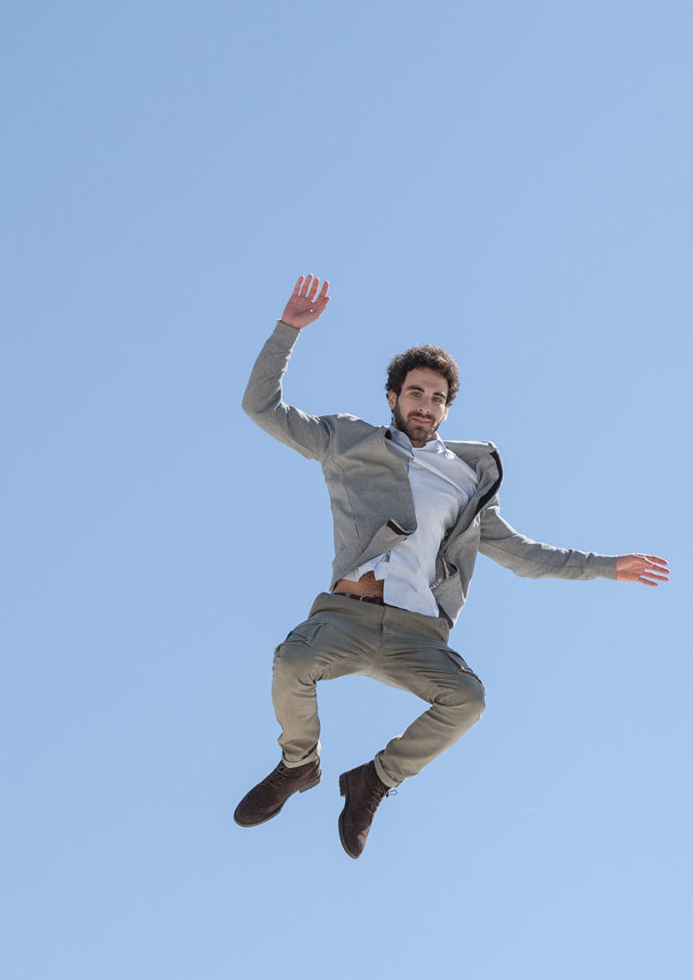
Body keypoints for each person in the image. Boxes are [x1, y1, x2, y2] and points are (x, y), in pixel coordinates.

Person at [235, 275, 669, 858]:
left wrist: (606, 566)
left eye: (438, 398)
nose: (426, 405)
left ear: (447, 408)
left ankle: (375, 781)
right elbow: (260, 406)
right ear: (393, 397)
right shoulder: (347, 440)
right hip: (349, 617)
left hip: (418, 635)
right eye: (416, 393)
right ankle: (299, 764)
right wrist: (287, 329)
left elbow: (523, 554)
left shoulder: (466, 480)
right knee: (293, 661)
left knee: (468, 700)